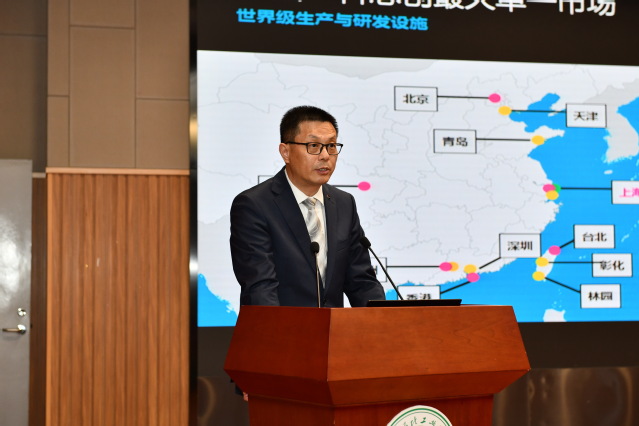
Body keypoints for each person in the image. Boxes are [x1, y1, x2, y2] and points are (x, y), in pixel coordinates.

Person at [229, 105, 385, 307]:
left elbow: (362, 281)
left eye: (331, 146)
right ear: (286, 152)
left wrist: (382, 320)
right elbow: (260, 287)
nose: (325, 155)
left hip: (334, 327)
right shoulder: (254, 205)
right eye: (313, 146)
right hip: (281, 326)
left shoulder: (344, 203)